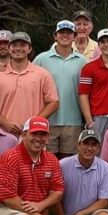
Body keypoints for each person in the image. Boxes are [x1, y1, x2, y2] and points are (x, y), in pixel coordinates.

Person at [0, 31, 59, 137]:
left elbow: (53, 102)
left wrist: (34, 122)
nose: (18, 48)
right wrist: (5, 123)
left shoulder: (42, 74)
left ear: (30, 49)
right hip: (4, 136)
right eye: (14, 45)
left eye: (23, 45)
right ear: (9, 49)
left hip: (34, 135)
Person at [33, 20, 86, 156]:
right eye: (61, 32)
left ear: (74, 37)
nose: (65, 35)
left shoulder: (83, 61)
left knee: (69, 163)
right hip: (47, 120)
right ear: (55, 36)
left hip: (73, 121)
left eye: (69, 33)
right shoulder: (41, 59)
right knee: (46, 162)